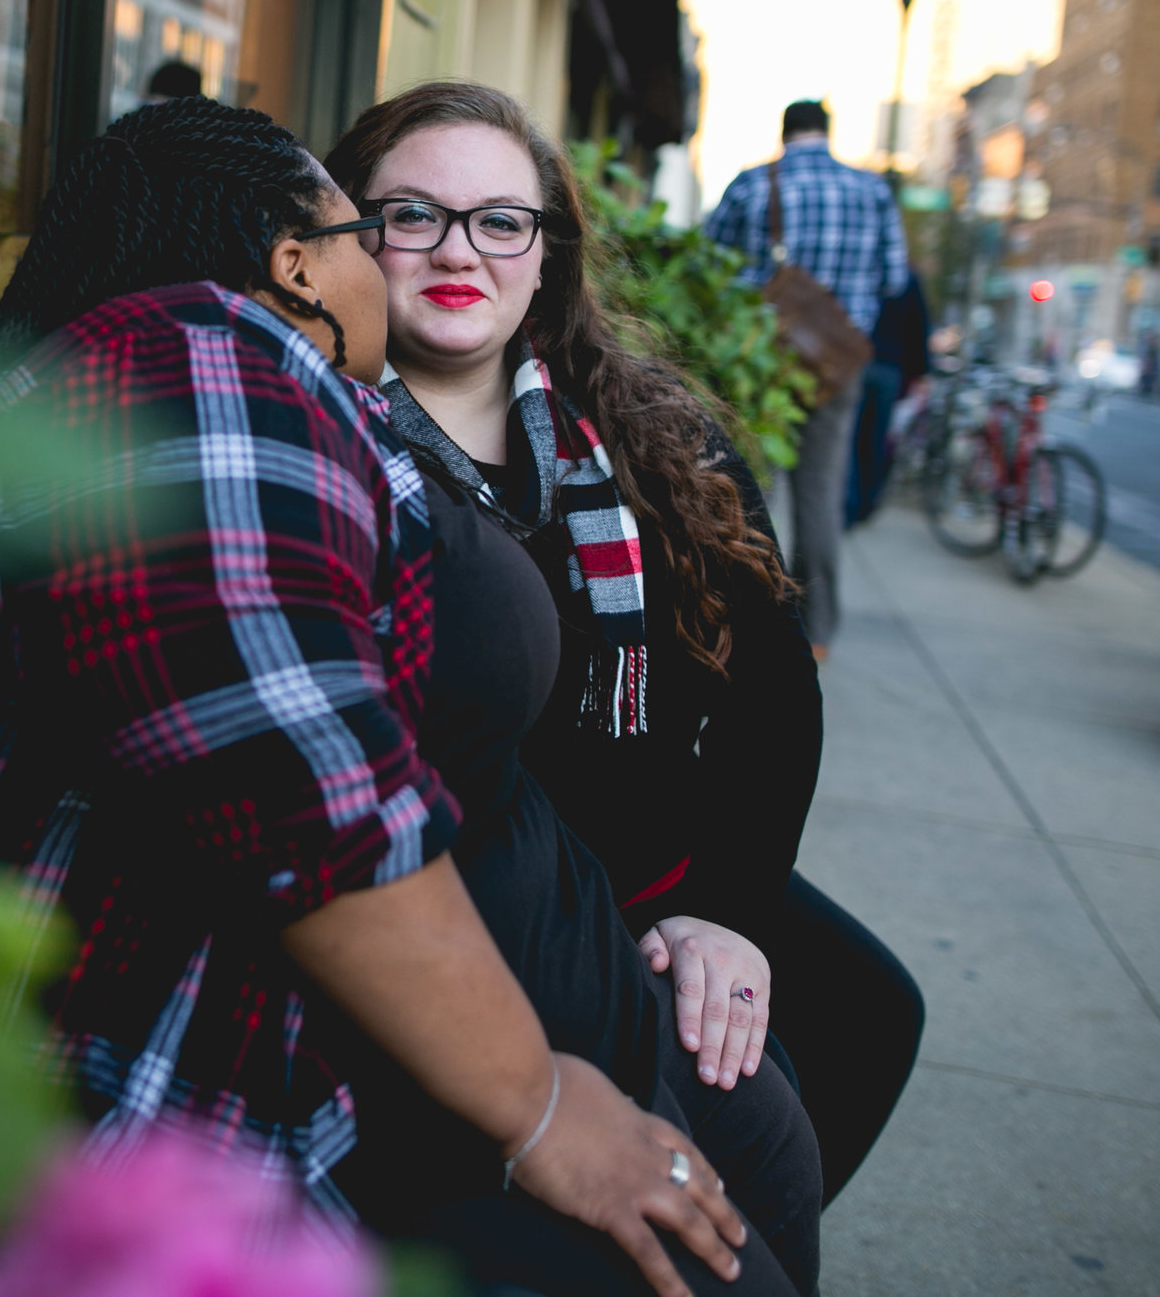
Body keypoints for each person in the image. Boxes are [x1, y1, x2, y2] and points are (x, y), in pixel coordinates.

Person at [0, 97, 813, 1297]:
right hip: (238, 1119)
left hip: (471, 1014)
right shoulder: (202, 356)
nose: (427, 254)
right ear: (295, 260)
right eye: (381, 224)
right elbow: (296, 791)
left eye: (498, 222)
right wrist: (536, 1107)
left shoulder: (291, 387)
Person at [327, 82, 922, 1209]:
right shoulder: (317, 443)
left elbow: (772, 691)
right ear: (351, 233)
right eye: (412, 214)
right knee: (748, 1117)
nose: (461, 250)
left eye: (502, 220)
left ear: (546, 252)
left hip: (668, 871)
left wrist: (728, 915)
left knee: (868, 1015)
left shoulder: (652, 434)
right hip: (490, 909)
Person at [702, 102, 907, 662]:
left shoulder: (751, 185)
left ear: (786, 132)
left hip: (760, 362)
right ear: (827, 132)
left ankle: (740, 620)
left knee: (749, 491)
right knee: (820, 494)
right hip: (839, 364)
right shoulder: (873, 192)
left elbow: (709, 266)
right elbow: (893, 279)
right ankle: (815, 635)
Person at [847, 266, 930, 527]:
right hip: (888, 368)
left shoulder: (863, 271)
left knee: (852, 437)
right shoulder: (907, 277)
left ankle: (851, 503)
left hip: (859, 362)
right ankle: (867, 502)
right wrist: (922, 373)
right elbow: (919, 328)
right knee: (876, 438)